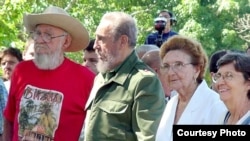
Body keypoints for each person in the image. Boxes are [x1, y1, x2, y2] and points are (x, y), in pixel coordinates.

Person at [3, 6, 95, 141]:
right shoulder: (21, 71)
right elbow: (9, 117)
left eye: (48, 35)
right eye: (37, 33)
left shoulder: (86, 78)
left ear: (66, 41)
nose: (39, 40)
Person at [84, 11, 166, 141]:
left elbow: (148, 138)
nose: (95, 46)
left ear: (123, 41)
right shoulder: (102, 76)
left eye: (101, 39)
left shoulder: (144, 81)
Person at [156, 35, 227, 141]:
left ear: (197, 69)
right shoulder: (171, 104)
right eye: (166, 66)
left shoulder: (216, 106)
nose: (170, 72)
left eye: (179, 65)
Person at [213, 52, 250, 124]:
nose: (220, 82)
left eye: (229, 75)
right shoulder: (222, 117)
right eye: (218, 75)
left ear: (248, 83)